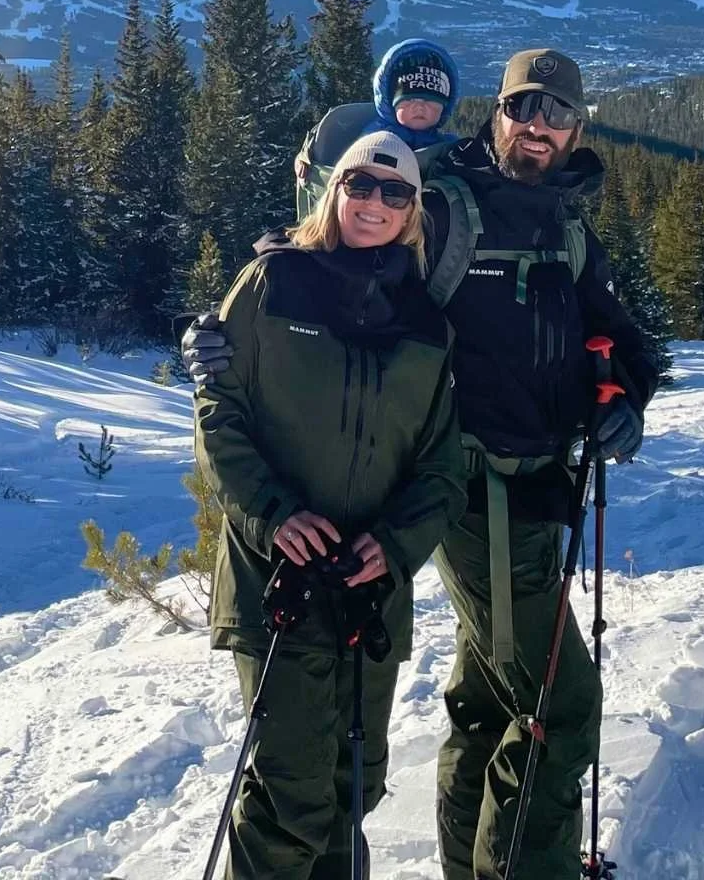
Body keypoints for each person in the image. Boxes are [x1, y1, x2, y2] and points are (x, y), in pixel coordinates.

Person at [191, 49, 664, 880]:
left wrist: (621, 393)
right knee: (560, 705)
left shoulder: (566, 224)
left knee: (484, 709)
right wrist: (230, 330)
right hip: (470, 495)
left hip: (527, 490)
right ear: (497, 114)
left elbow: (618, 336)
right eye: (524, 107)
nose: (539, 127)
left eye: (557, 114)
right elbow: (343, 258)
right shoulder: (447, 205)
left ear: (578, 127)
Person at [194, 130, 465, 880]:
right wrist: (276, 515)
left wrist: (398, 544)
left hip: (369, 593)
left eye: (395, 191)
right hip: (279, 583)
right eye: (359, 184)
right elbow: (220, 418)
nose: (374, 202)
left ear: (412, 211)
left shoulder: (427, 326)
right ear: (332, 189)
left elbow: (441, 467)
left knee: (352, 788)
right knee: (291, 799)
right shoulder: (273, 284)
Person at [295, 38, 462, 218]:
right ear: (389, 101)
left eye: (431, 101)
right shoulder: (377, 139)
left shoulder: (449, 145)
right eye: (410, 99)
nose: (420, 107)